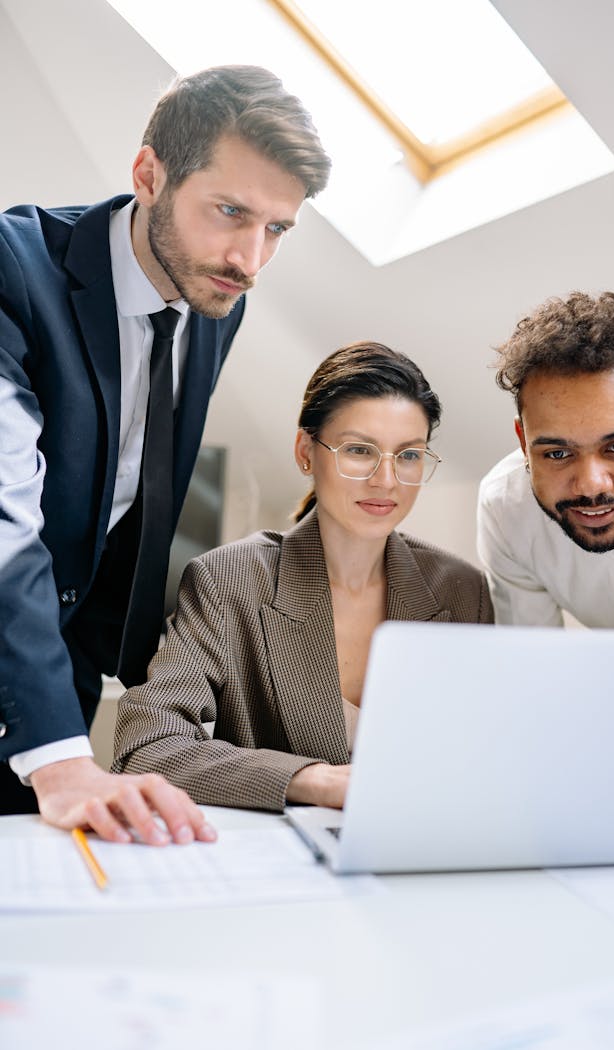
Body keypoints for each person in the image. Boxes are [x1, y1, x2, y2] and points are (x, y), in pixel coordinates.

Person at [0, 64, 331, 839]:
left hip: (59, 678)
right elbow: (5, 517)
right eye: (230, 212)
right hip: (37, 708)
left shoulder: (215, 300)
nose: (251, 259)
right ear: (150, 175)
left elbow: (130, 506)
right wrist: (58, 757)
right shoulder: (12, 270)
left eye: (277, 229)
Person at [112, 342, 494, 811]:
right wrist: (308, 781)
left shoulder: (461, 589)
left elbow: (485, 751)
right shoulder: (229, 579)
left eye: (409, 455)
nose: (386, 480)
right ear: (305, 452)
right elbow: (146, 748)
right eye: (359, 450)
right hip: (285, 860)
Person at [477, 290, 614, 629]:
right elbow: (532, 660)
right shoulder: (505, 505)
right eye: (558, 453)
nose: (591, 484)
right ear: (524, 444)